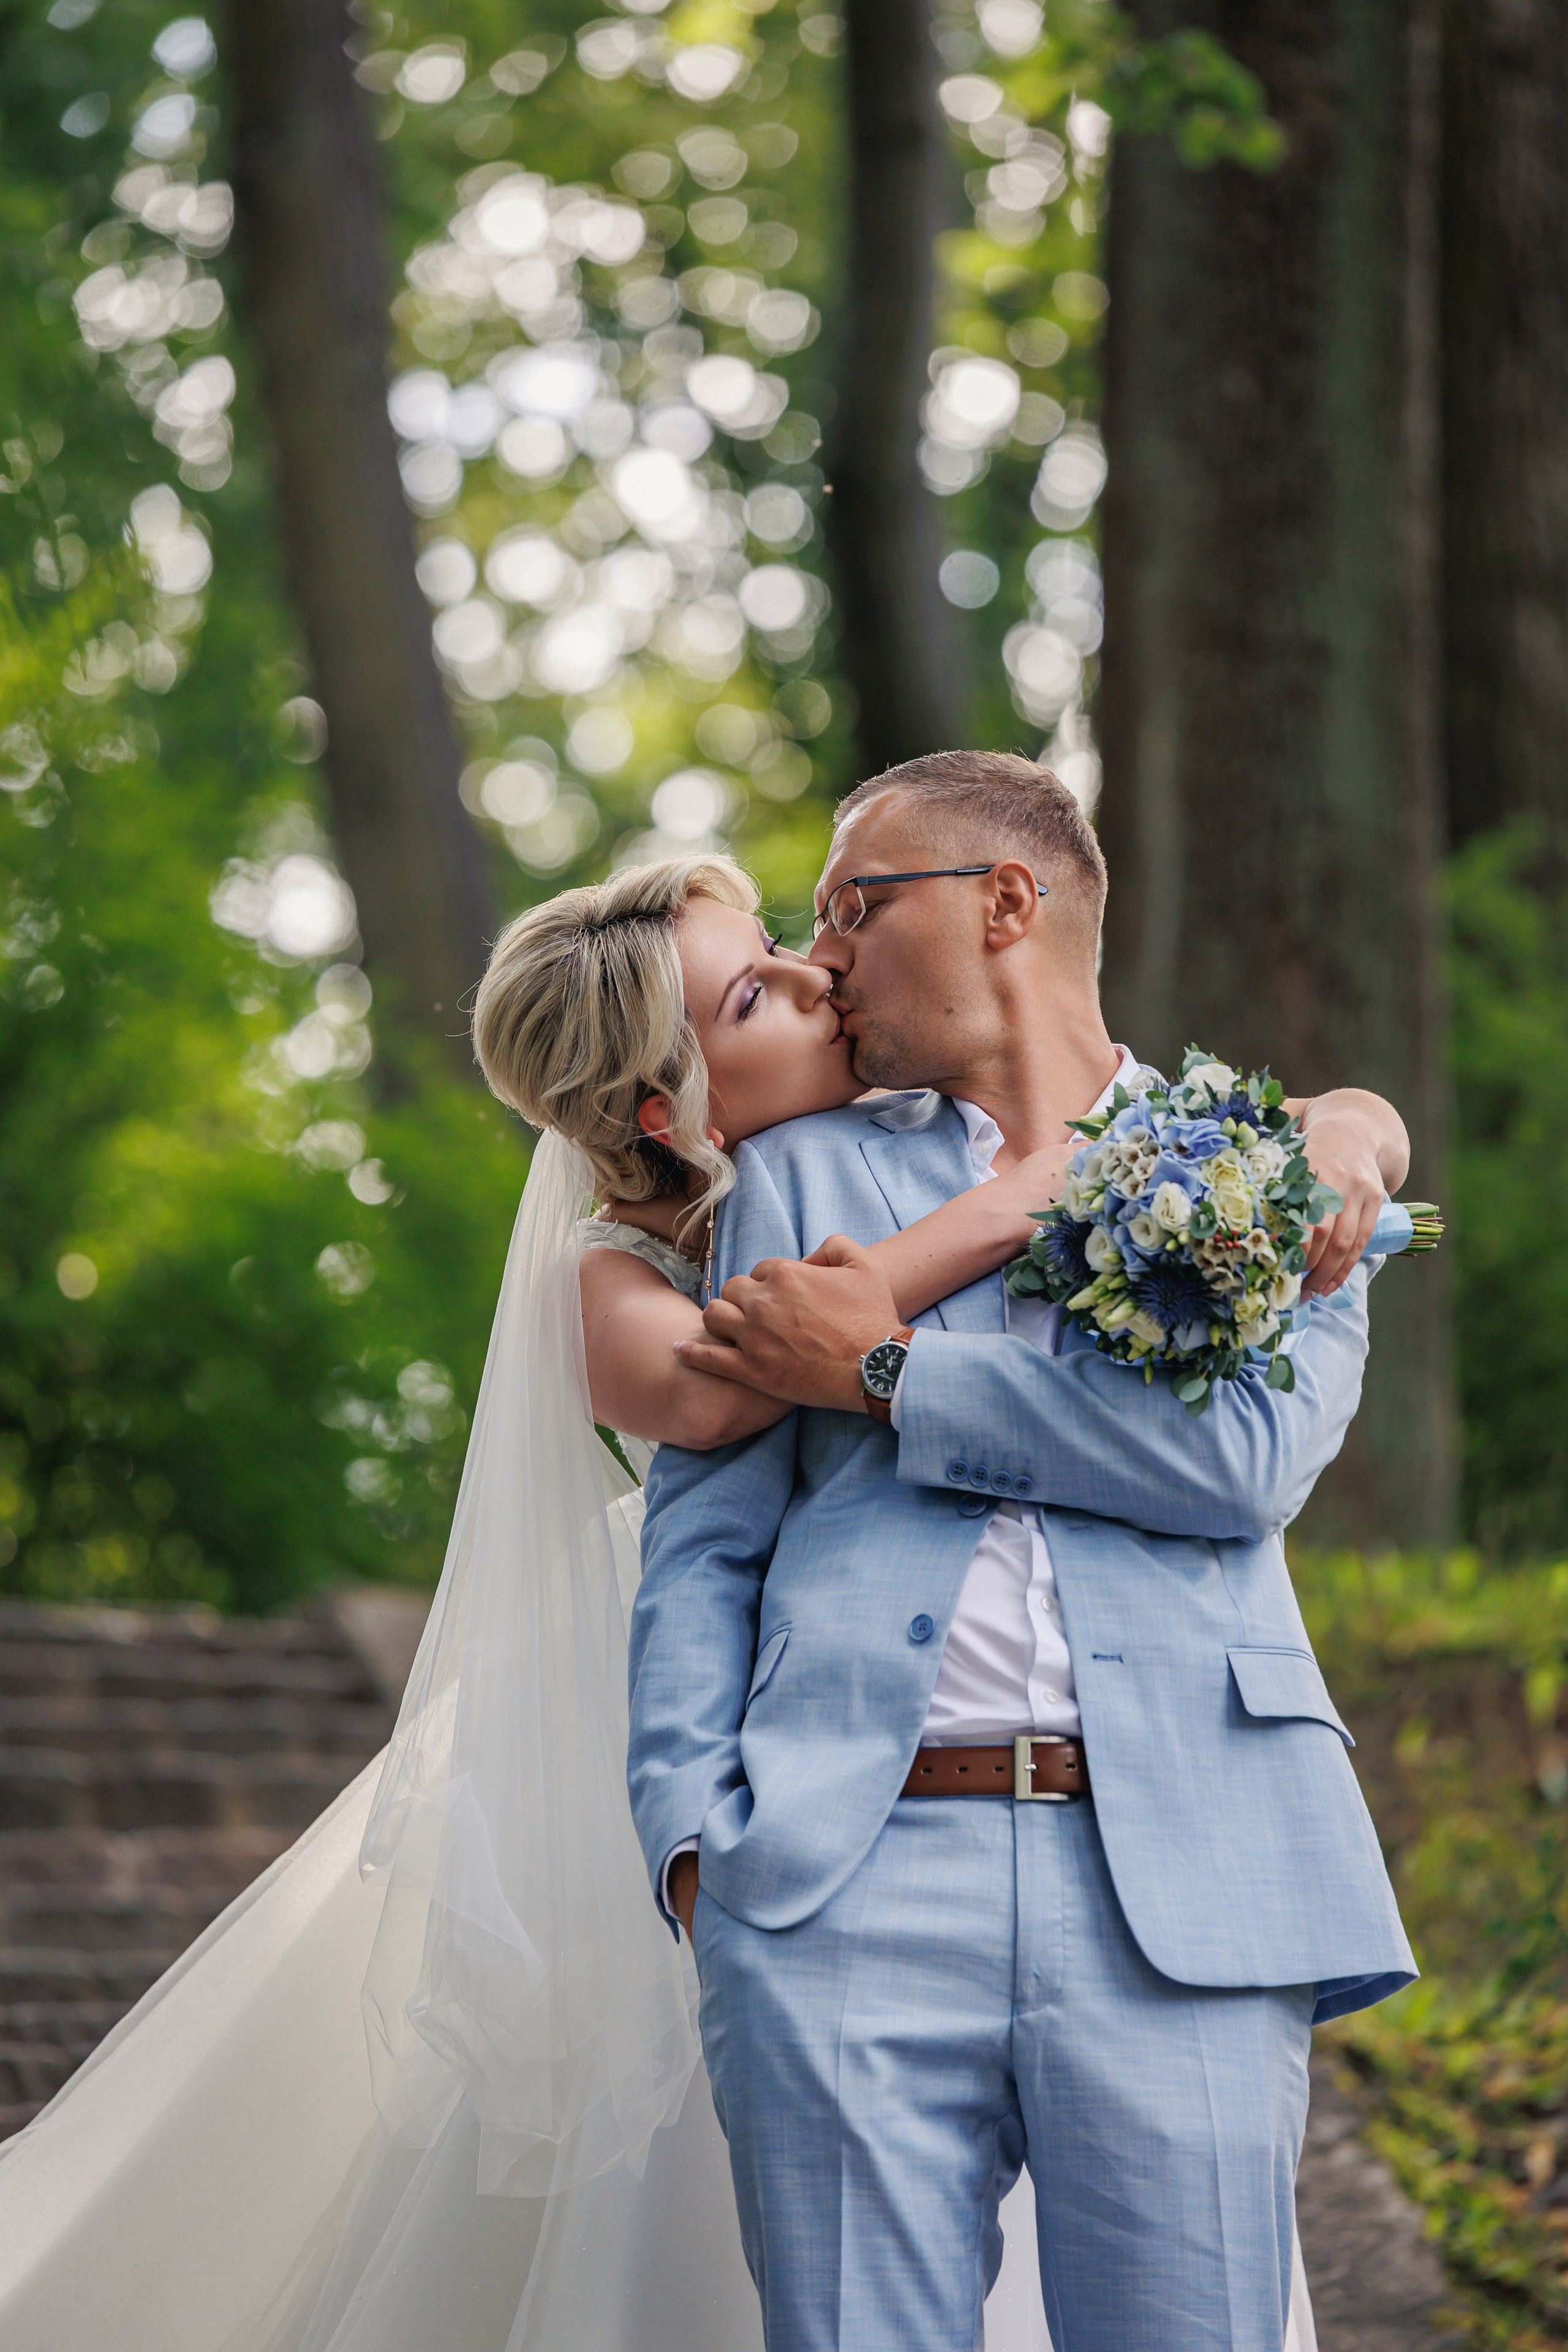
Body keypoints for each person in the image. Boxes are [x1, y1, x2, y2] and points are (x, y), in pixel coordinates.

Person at [0, 839, 1399, 2351]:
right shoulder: (668, 1253)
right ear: (668, 1106)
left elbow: (1247, 1431)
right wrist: (696, 1855)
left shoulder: (1187, 1159)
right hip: (822, 1844)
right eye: (760, 990)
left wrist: (1352, 1123)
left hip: (1168, 1850)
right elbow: (711, 1485)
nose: (816, 973)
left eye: (809, 940)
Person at [626, 755, 1419, 2352]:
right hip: (834, 1879)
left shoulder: (1283, 1171)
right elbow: (702, 1541)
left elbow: (1241, 1466)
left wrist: (885, 1373)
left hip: (1193, 1875)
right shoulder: (798, 1177)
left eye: (853, 905)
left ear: (1005, 900)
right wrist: (698, 1852)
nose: (819, 955)